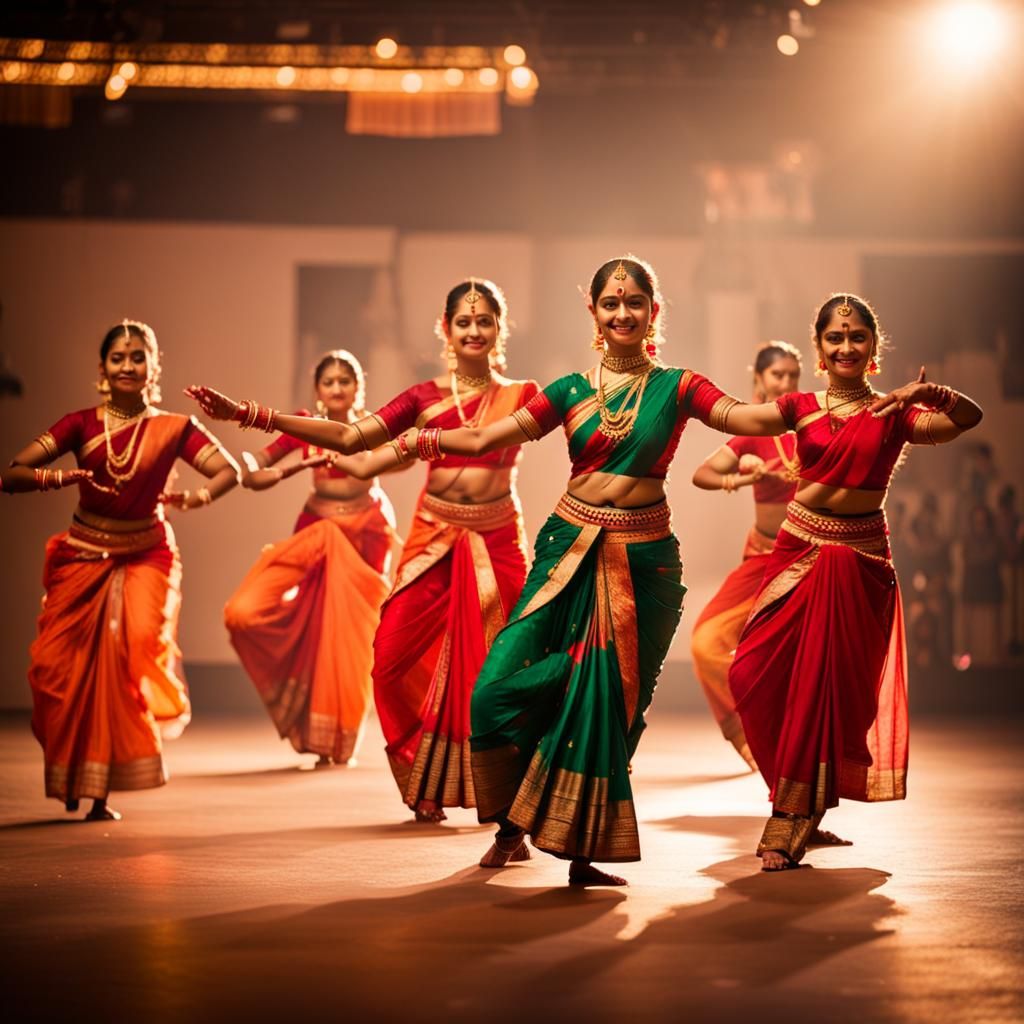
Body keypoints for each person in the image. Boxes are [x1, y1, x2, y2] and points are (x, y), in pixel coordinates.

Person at [392, 255, 771, 886]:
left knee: (608, 701)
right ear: (593, 313)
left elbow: (748, 419)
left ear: (654, 311)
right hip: (566, 551)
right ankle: (514, 821)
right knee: (493, 691)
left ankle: (580, 850)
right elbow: (487, 439)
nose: (623, 313)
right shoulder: (568, 390)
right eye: (610, 303)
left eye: (635, 303)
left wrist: (843, 405)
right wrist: (417, 441)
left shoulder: (678, 386)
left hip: (644, 562)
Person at [186, 279, 538, 823]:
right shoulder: (422, 398)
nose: (473, 331)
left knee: (506, 673)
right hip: (432, 538)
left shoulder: (524, 394)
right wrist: (255, 417)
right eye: (463, 322)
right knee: (389, 665)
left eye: (484, 320)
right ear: (444, 329)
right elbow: (352, 441)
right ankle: (428, 777)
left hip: (498, 543)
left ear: (500, 327)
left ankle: (511, 797)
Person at [727, 293, 983, 871]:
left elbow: (968, 419)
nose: (846, 347)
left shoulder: (893, 413)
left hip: (860, 561)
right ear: (819, 349)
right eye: (835, 339)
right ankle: (796, 799)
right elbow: (734, 418)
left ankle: (790, 819)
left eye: (857, 338)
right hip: (798, 549)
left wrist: (934, 393)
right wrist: (673, 393)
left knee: (834, 691)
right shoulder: (799, 406)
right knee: (750, 672)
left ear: (874, 348)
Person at [1, 320, 238, 820]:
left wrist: (193, 498)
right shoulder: (79, 425)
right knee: (55, 669)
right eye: (118, 358)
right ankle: (71, 773)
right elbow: (13, 473)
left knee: (128, 648)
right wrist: (59, 476)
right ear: (102, 369)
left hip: (146, 552)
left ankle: (101, 792)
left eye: (137, 357)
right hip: (82, 554)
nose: (127, 366)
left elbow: (227, 472)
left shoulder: (174, 427)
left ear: (154, 366)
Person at [224, 350, 400, 767]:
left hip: (365, 539)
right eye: (329, 382)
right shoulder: (306, 426)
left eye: (345, 380)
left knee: (343, 636)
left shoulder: (372, 426)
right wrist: (253, 467)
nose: (337, 388)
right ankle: (305, 720)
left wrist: (353, 459)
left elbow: (402, 457)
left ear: (359, 385)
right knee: (244, 612)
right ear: (317, 389)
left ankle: (334, 738)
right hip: (315, 533)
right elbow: (256, 470)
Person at [689, 341, 802, 770]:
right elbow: (703, 474)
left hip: (808, 559)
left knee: (797, 665)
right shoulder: (752, 433)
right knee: (706, 642)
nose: (786, 383)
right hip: (762, 559)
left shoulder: (811, 428)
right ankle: (746, 738)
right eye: (778, 375)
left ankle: (797, 765)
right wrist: (740, 476)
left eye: (793, 375)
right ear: (759, 380)